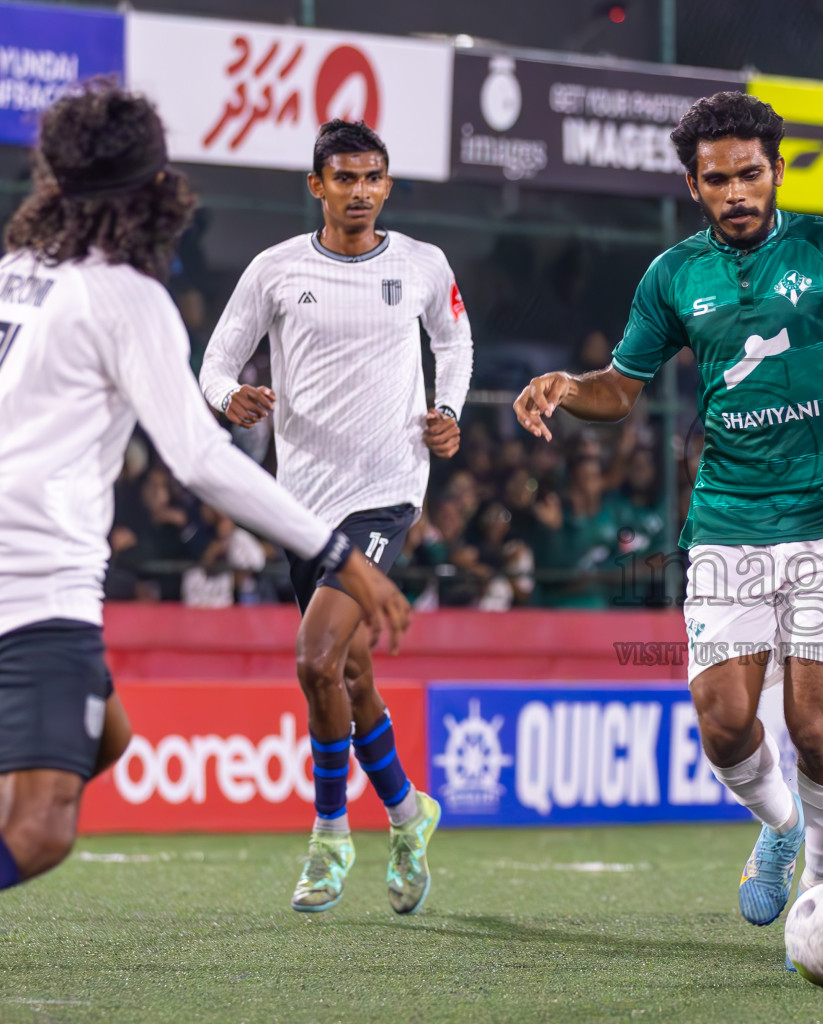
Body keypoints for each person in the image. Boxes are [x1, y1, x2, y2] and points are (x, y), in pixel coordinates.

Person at [512, 92, 823, 964]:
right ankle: (780, 823)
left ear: (777, 171)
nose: (736, 191)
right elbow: (623, 387)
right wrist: (572, 388)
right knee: (723, 722)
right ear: (695, 184)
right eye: (717, 178)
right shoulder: (672, 277)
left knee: (811, 722)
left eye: (750, 174)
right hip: (727, 521)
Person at [0, 82, 409, 893]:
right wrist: (340, 554)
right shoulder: (126, 295)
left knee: (107, 738)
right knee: (41, 830)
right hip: (32, 587)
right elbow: (197, 457)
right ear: (154, 186)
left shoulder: (17, 272)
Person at [198, 119, 472, 915]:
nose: (360, 192)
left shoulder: (423, 263)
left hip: (388, 490)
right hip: (300, 506)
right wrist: (229, 398)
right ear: (315, 185)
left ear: (387, 186)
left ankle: (329, 835)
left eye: (373, 178)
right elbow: (216, 362)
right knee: (351, 674)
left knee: (316, 660)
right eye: (344, 178)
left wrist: (447, 408)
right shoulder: (274, 269)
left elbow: (453, 342)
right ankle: (408, 812)